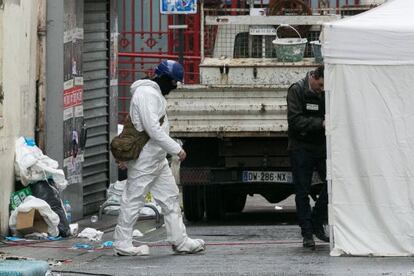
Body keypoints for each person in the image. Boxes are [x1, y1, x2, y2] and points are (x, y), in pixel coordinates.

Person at [113, 60, 206, 256]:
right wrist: (176, 149)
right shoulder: (146, 94)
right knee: (133, 199)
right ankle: (122, 243)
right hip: (145, 160)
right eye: (173, 82)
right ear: (163, 78)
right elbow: (152, 128)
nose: (174, 87)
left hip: (156, 158)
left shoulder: (154, 94)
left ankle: (179, 240)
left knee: (171, 198)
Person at [286, 65, 329, 249]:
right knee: (302, 191)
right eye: (319, 86)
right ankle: (307, 233)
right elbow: (295, 121)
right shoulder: (297, 90)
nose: (321, 90)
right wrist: (320, 123)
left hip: (321, 146)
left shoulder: (325, 92)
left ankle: (316, 219)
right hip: (301, 146)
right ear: (313, 77)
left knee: (333, 183)